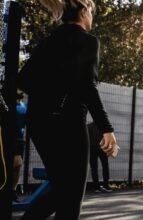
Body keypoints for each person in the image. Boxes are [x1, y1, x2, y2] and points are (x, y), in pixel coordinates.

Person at [17, 0, 119, 218]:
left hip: (39, 124)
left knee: (61, 191)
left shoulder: (49, 41)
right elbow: (87, 86)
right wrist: (107, 128)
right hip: (69, 124)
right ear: (83, 12)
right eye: (91, 12)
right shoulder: (88, 41)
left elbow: (24, 80)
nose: (92, 17)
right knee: (70, 198)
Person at [12, 90, 27, 202]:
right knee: (14, 164)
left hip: (20, 140)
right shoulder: (7, 105)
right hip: (9, 139)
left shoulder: (24, 106)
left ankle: (12, 192)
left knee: (17, 166)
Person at [88, 122, 111, 193]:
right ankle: (106, 185)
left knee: (94, 168)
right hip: (102, 149)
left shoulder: (89, 126)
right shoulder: (103, 125)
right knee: (105, 166)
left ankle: (96, 187)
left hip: (92, 149)